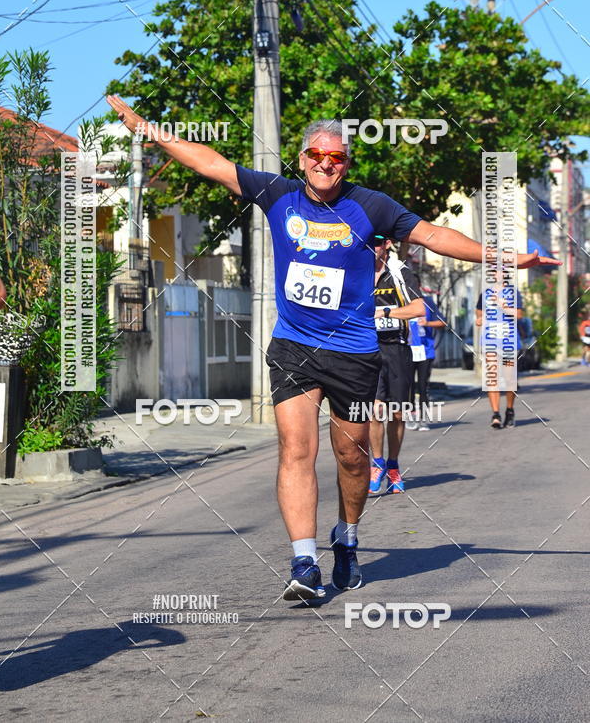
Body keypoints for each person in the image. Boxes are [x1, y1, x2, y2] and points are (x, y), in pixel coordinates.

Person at [107, 95, 559, 602]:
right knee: (297, 449)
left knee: (352, 457)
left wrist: (506, 258)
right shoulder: (277, 194)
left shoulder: (371, 206)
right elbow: (208, 162)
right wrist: (148, 128)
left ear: (347, 163)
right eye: (317, 155)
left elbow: (432, 234)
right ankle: (304, 561)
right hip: (295, 346)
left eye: (337, 157)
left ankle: (346, 537)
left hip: (355, 352)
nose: (326, 164)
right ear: (302, 159)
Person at [369, 241, 424, 495]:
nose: (372, 247)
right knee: (375, 410)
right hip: (367, 348)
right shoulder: (355, 269)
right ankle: (377, 463)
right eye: (369, 241)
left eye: (377, 242)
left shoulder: (400, 271)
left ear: (387, 244)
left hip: (397, 347)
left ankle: (393, 465)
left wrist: (386, 312)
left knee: (397, 413)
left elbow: (419, 308)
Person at [476, 286, 523, 428]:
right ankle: (495, 414)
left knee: (509, 379)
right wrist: (480, 320)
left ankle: (510, 410)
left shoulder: (513, 293)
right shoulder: (485, 293)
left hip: (508, 341)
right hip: (490, 341)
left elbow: (519, 315)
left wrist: (503, 306)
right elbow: (479, 315)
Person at [408, 283, 446, 431]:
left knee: (423, 386)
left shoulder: (428, 303)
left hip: (425, 350)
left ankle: (423, 419)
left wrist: (427, 322)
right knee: (408, 385)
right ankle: (411, 417)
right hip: (407, 350)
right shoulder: (402, 302)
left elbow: (442, 322)